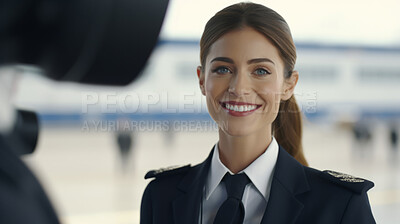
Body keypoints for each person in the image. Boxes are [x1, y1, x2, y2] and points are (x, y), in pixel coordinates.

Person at [140, 2, 375, 224]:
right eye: (223, 69)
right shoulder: (159, 196)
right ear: (202, 80)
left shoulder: (340, 204)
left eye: (260, 71)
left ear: (289, 85)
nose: (239, 88)